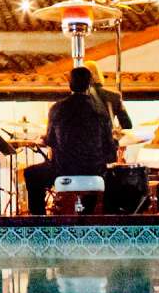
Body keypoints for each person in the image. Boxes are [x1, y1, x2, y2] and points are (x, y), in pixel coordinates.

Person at [24, 67, 118, 212]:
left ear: (70, 83)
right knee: (116, 178)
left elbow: (51, 140)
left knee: (31, 174)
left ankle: (39, 222)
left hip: (63, 169)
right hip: (94, 170)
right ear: (89, 84)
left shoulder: (57, 108)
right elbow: (110, 152)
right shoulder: (101, 112)